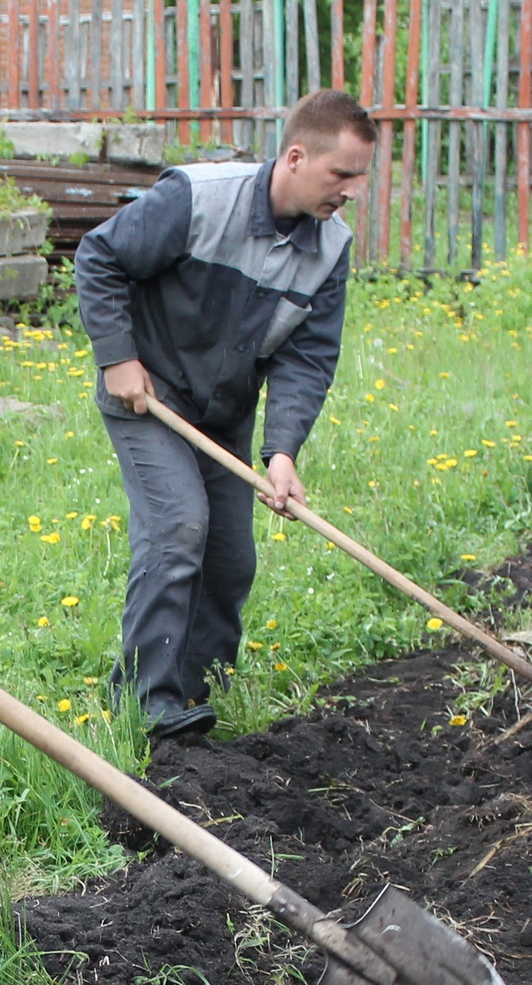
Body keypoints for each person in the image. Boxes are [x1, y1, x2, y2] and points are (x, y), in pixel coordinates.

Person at [76, 89, 375, 741]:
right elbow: (100, 257)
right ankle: (146, 704)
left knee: (231, 557)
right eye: (342, 174)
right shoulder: (199, 199)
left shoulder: (329, 249)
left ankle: (200, 693)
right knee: (179, 524)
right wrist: (117, 357)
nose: (352, 191)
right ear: (296, 156)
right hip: (149, 394)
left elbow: (307, 358)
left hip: (225, 411)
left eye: (361, 177)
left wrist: (283, 452)